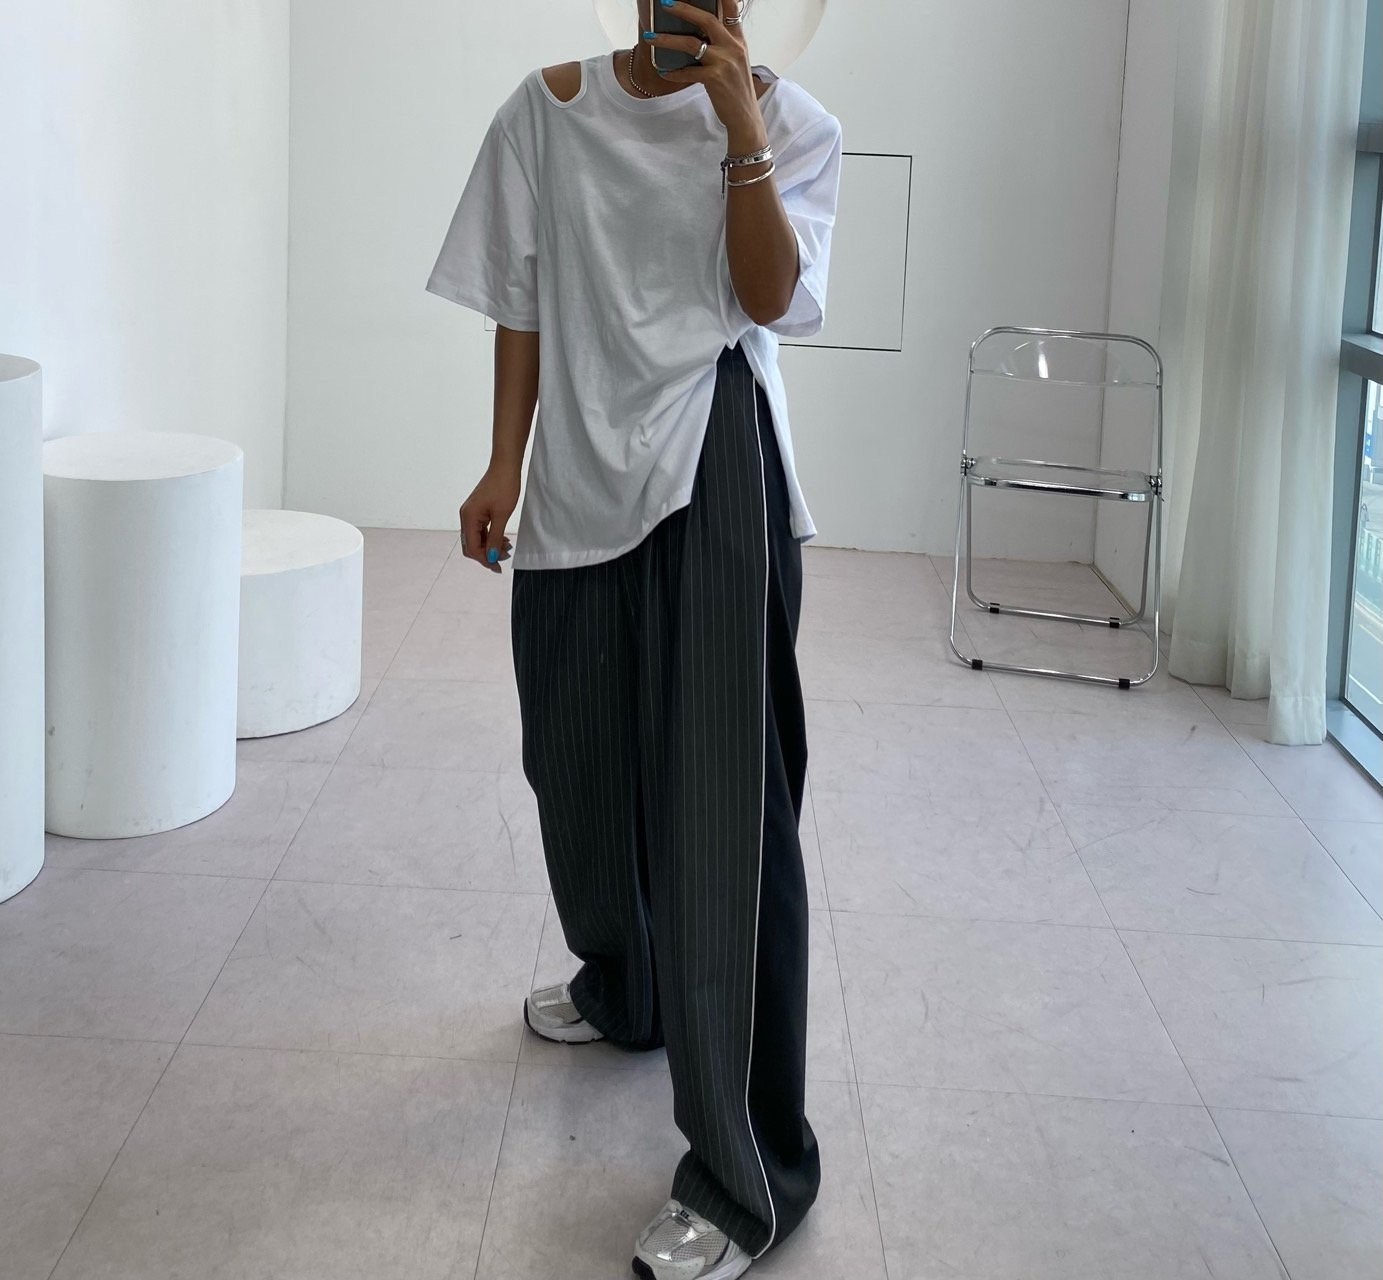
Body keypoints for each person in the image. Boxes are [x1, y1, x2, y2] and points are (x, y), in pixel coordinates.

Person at [424, 2, 842, 1275]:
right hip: (579, 469)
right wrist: (503, 460)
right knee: (579, 766)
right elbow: (521, 295)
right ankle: (629, 984)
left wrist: (737, 125)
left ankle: (746, 1176)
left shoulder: (794, 124)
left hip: (716, 463)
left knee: (723, 826)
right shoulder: (546, 113)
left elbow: (769, 295)